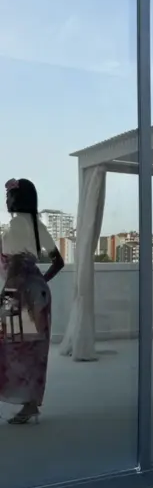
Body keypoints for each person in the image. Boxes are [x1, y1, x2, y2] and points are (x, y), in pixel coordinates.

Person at [0, 178, 64, 424]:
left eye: (8, 196)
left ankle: (21, 401)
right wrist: (40, 281)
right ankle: (30, 405)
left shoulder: (14, 227)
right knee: (32, 350)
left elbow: (12, 265)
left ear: (17, 199)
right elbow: (58, 262)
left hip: (17, 293)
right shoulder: (39, 226)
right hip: (38, 293)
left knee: (11, 346)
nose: (6, 199)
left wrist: (8, 294)